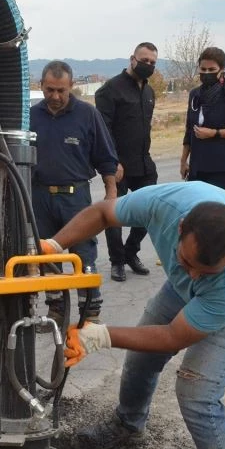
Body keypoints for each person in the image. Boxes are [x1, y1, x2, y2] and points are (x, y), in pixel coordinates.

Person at [41, 181, 225, 449]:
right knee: (143, 354)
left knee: (197, 396)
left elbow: (173, 335)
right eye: (187, 261)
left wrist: (98, 336)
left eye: (206, 271)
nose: (195, 277)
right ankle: (128, 423)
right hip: (189, 286)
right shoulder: (167, 204)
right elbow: (103, 212)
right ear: (181, 227)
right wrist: (54, 245)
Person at [30, 60, 118, 328]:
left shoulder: (87, 115)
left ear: (72, 87)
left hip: (76, 198)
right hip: (39, 197)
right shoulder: (31, 116)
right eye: (49, 90)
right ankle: (56, 311)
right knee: (47, 255)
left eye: (61, 91)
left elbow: (106, 156)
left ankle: (90, 313)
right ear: (41, 86)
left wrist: (111, 191)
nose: (55, 97)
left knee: (84, 255)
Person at [95, 42, 159, 282]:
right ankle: (117, 262)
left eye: (153, 62)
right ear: (132, 59)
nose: (148, 65)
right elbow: (103, 130)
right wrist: (113, 162)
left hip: (144, 163)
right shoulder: (110, 90)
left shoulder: (149, 92)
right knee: (115, 215)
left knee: (151, 210)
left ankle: (131, 253)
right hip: (118, 165)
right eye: (144, 61)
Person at [181, 47, 225, 192]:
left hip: (222, 168)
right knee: (195, 211)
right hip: (197, 167)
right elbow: (189, 130)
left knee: (215, 212)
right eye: (203, 69)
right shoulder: (195, 95)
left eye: (211, 69)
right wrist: (183, 161)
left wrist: (214, 133)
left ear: (222, 69)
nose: (206, 73)